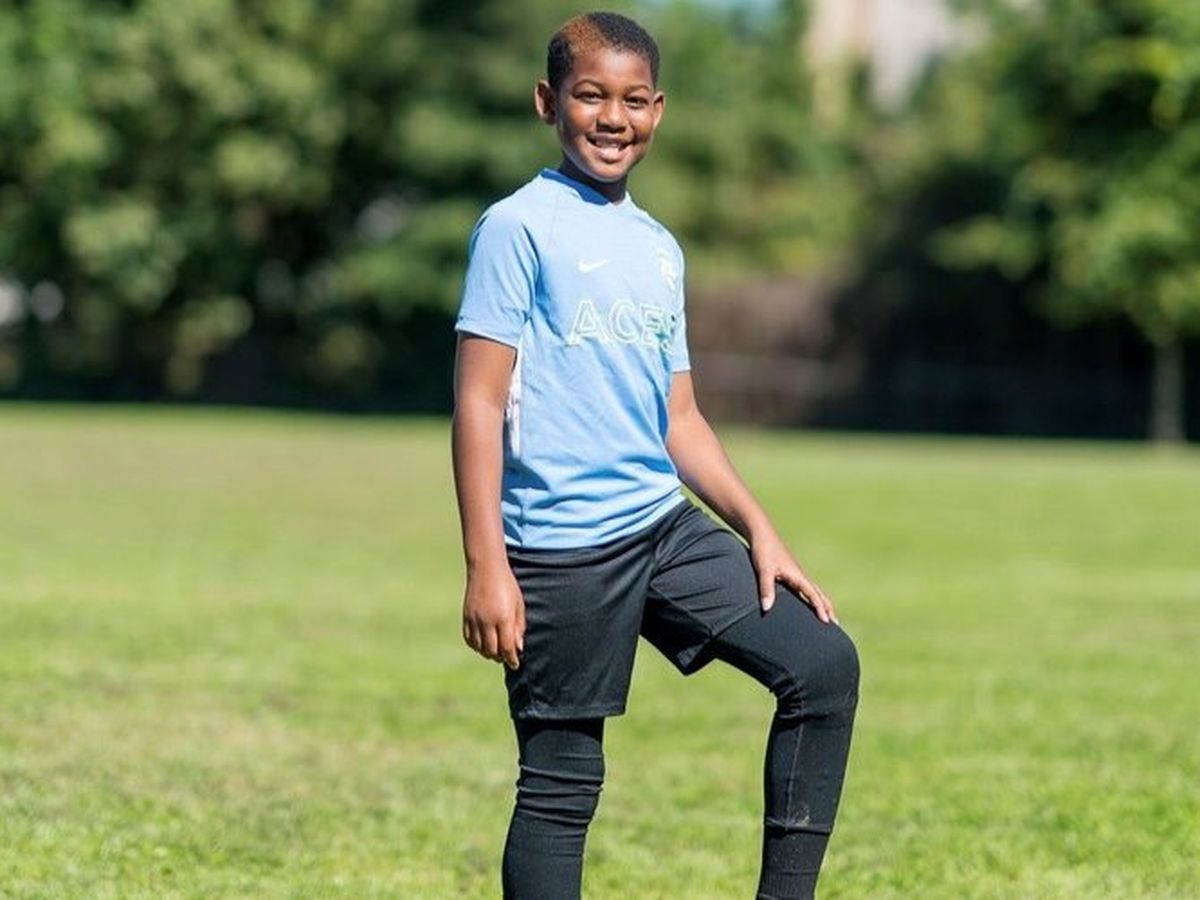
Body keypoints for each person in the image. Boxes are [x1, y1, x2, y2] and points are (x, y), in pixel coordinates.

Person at [450, 12, 859, 899]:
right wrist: (487, 566)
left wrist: (760, 530)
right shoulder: (516, 228)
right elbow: (478, 402)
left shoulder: (659, 249)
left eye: (633, 100)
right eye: (590, 96)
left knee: (824, 667)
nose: (613, 117)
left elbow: (679, 418)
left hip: (661, 528)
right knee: (563, 786)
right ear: (547, 102)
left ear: (658, 110)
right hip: (560, 547)